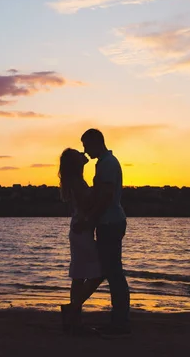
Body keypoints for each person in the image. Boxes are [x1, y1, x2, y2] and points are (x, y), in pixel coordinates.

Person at [79, 128, 131, 338]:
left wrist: (90, 219)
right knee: (111, 271)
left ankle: (120, 322)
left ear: (95, 142)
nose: (84, 150)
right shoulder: (104, 162)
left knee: (114, 273)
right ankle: (119, 320)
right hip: (109, 221)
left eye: (86, 145)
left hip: (110, 222)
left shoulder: (108, 164)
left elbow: (106, 196)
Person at [58, 148, 104, 335]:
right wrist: (97, 189)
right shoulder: (77, 182)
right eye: (79, 153)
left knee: (78, 276)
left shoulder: (74, 180)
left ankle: (74, 322)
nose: (82, 153)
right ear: (74, 162)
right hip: (82, 230)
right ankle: (72, 309)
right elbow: (86, 205)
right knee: (100, 272)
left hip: (78, 229)